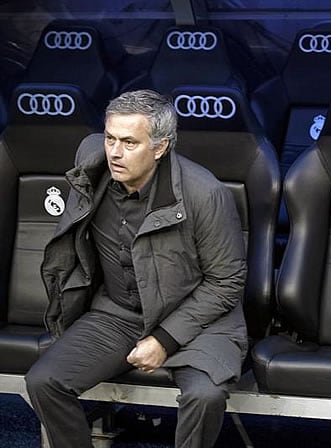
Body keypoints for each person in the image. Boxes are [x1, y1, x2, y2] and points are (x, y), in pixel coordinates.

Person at [25, 89, 248, 448]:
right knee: (44, 381)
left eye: (130, 142)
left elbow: (227, 281)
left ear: (160, 148)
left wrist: (164, 339)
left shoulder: (204, 193)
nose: (115, 151)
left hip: (198, 320)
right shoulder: (93, 167)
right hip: (117, 312)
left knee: (204, 396)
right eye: (111, 138)